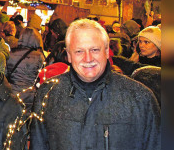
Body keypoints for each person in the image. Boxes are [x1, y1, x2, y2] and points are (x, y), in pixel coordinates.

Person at [30, 19, 161, 150]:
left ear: (106, 51)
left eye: (94, 50)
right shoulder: (49, 93)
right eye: (79, 51)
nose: (88, 58)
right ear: (69, 56)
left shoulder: (140, 98)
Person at [6, 27, 45, 107]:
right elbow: (41, 76)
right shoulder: (39, 57)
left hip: (12, 93)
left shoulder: (11, 53)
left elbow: (5, 74)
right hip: (29, 95)